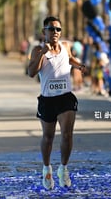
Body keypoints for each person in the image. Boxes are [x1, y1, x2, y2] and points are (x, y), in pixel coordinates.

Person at [28, 16, 86, 190]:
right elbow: (31, 72)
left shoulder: (65, 46)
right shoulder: (37, 49)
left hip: (65, 97)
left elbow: (69, 58)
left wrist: (80, 66)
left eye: (58, 29)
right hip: (47, 100)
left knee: (67, 134)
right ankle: (47, 169)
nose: (55, 32)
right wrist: (42, 54)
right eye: (51, 29)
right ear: (44, 31)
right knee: (48, 137)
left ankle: (63, 168)